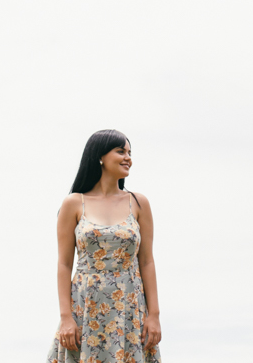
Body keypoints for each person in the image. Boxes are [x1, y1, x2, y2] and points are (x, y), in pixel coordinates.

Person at [47, 129, 162, 363]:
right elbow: (64, 264)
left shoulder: (139, 203)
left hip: (129, 308)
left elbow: (147, 261)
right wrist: (66, 317)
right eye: (121, 151)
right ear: (100, 156)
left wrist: (154, 316)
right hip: (84, 306)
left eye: (130, 152)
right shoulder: (74, 203)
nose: (128, 157)